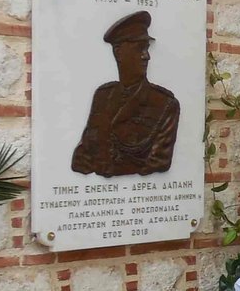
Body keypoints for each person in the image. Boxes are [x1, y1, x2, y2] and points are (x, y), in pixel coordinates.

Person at [71, 10, 180, 176]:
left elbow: (159, 162)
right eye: (139, 49)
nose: (146, 56)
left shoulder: (164, 104)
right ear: (118, 52)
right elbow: (81, 158)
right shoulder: (103, 96)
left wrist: (106, 166)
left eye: (147, 49)